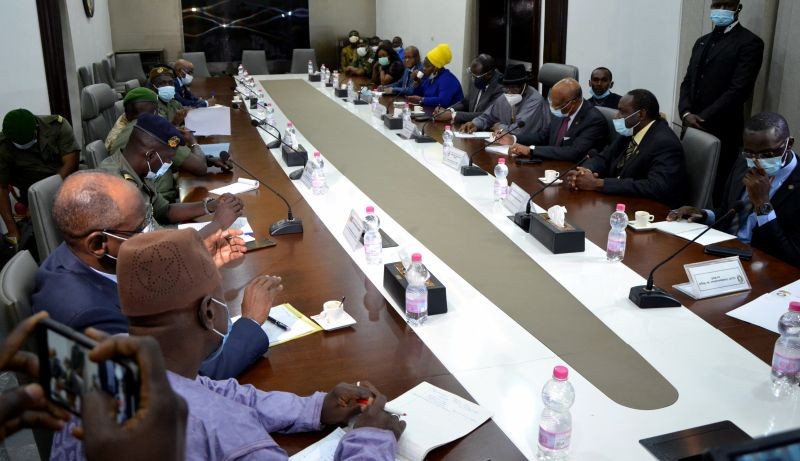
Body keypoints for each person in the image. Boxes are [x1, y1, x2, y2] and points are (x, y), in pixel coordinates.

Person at [53, 229, 406, 459]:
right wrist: (372, 438)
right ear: (210, 312)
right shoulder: (225, 433)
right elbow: (214, 411)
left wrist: (315, 409)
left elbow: (217, 392)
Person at [31, 170, 272, 379]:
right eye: (138, 229)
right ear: (98, 243)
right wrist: (250, 322)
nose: (148, 233)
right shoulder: (89, 316)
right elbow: (189, 377)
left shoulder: (84, 254)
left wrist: (202, 266)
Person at [669, 113, 800, 267]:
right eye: (750, 153)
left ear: (789, 144)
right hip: (726, 251)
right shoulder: (743, 162)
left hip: (765, 267)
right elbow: (729, 210)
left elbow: (792, 256)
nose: (756, 161)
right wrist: (704, 215)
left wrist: (763, 204)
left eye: (767, 154)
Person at [679, 0, 764, 204]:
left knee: (719, 190)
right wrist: (686, 113)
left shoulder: (749, 42)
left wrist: (704, 116)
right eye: (717, 5)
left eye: (727, 5)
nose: (721, 10)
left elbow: (739, 90)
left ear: (738, 8)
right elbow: (688, 81)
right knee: (685, 181)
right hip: (691, 124)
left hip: (721, 127)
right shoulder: (702, 41)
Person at [98, 113, 243, 227]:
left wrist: (212, 205)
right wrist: (218, 225)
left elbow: (165, 211)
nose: (169, 164)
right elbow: (150, 242)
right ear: (150, 155)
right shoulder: (118, 186)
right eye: (168, 158)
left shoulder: (138, 171)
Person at [565, 89, 687, 207]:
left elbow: (656, 187)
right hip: (621, 202)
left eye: (622, 112)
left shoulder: (664, 143)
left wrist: (598, 184)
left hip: (651, 212)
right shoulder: (631, 131)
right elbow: (603, 158)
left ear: (641, 114)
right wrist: (584, 173)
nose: (617, 116)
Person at [0, 109, 79, 245]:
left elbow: (72, 161)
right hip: (30, 192)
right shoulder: (3, 145)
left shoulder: (57, 126)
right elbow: (1, 188)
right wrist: (12, 230)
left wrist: (45, 195)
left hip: (66, 184)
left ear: (37, 128)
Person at [507, 78, 609, 162]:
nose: (554, 108)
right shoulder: (562, 111)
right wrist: (514, 138)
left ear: (573, 102)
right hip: (550, 164)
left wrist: (531, 150)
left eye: (558, 105)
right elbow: (543, 137)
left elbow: (574, 153)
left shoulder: (594, 120)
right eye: (552, 103)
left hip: (572, 170)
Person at [460, 64, 549, 143]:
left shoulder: (535, 100)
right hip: (504, 144)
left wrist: (499, 126)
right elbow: (487, 117)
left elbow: (519, 131)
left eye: (514, 88)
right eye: (506, 88)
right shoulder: (504, 96)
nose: (509, 92)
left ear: (524, 86)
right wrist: (475, 123)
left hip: (527, 147)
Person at [435, 54, 504, 124]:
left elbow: (486, 115)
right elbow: (465, 102)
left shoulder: (500, 87)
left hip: (487, 130)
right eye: (472, 74)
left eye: (475, 76)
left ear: (489, 74)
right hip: (469, 127)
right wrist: (449, 110)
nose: (472, 79)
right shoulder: (478, 78)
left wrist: (453, 115)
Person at [406, 43, 464, 108]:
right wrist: (417, 83)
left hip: (448, 116)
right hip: (430, 113)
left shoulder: (447, 79)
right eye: (424, 64)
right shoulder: (431, 78)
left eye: (427, 66)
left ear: (436, 68)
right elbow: (420, 95)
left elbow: (443, 101)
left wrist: (422, 100)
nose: (423, 68)